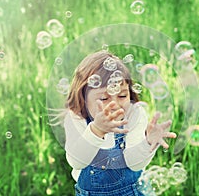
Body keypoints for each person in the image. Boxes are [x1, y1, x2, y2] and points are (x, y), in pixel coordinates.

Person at [64, 51, 176, 196]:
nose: (115, 104)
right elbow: (77, 162)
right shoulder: (76, 118)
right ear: (83, 98)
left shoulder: (134, 114)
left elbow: (134, 164)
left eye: (122, 95)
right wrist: (96, 131)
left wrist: (148, 142)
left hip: (133, 191)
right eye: (104, 98)